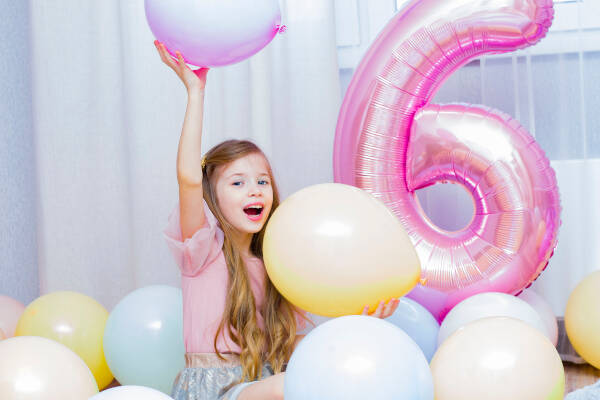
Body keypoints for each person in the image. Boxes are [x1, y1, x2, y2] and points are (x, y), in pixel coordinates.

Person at [155, 40, 400, 400]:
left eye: (262, 182)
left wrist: (360, 328)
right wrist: (196, 92)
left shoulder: (279, 265)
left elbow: (302, 348)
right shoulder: (202, 252)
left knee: (317, 379)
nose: (254, 191)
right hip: (217, 393)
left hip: (265, 385)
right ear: (213, 195)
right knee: (294, 386)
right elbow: (189, 178)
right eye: (237, 183)